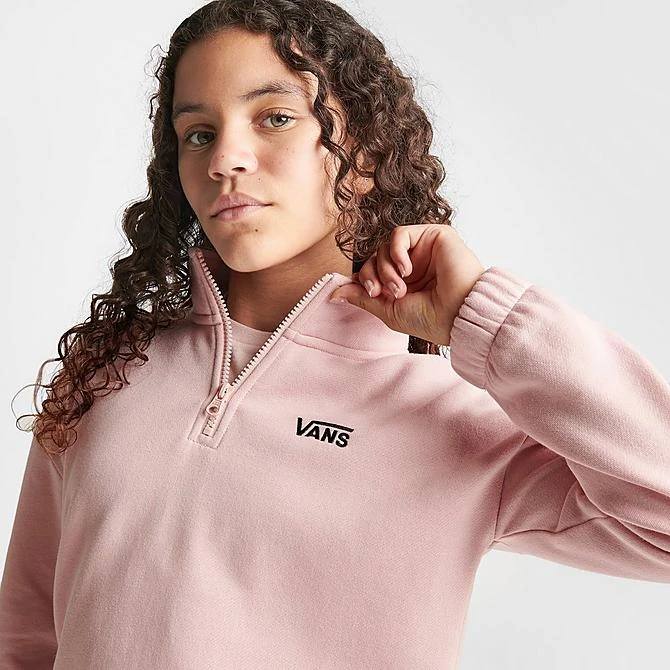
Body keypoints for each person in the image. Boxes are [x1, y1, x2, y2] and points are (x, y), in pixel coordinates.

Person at [1, 0, 669, 668]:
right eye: (198, 133)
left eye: (276, 118)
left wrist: (484, 317)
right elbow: (25, 636)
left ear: (367, 153)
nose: (225, 158)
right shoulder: (105, 372)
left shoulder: (453, 423)